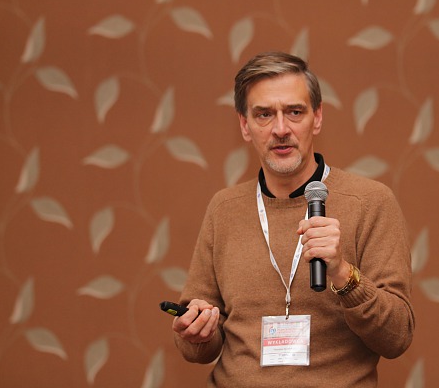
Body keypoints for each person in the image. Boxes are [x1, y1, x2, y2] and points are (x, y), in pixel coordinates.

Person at [172, 51, 415, 387]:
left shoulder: (370, 202)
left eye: (294, 112)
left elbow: (397, 337)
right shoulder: (223, 208)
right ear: (244, 125)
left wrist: (343, 273)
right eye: (264, 114)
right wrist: (197, 332)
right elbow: (198, 348)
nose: (281, 129)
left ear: (317, 118)